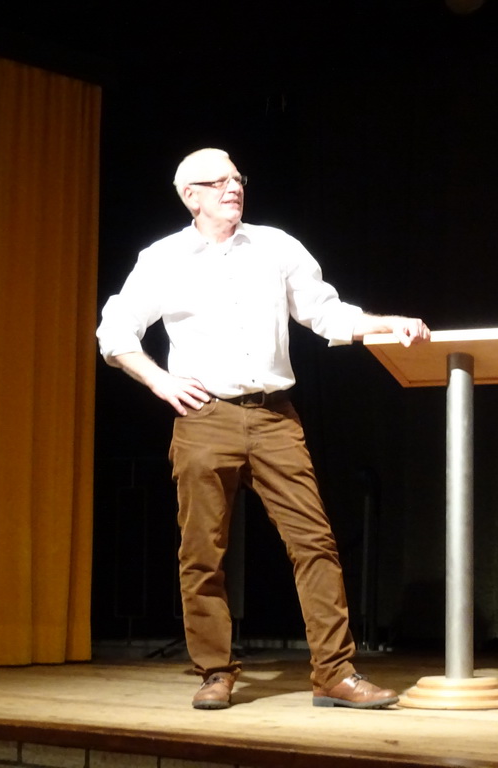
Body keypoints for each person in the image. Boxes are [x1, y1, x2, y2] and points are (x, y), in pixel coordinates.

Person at [97, 147, 429, 710]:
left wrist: (384, 324)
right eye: (218, 181)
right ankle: (215, 671)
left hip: (275, 417)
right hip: (205, 417)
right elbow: (115, 331)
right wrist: (159, 380)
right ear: (190, 196)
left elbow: (324, 312)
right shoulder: (163, 258)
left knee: (314, 542)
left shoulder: (276, 246)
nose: (233, 187)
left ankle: (334, 673)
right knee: (202, 552)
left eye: (237, 178)